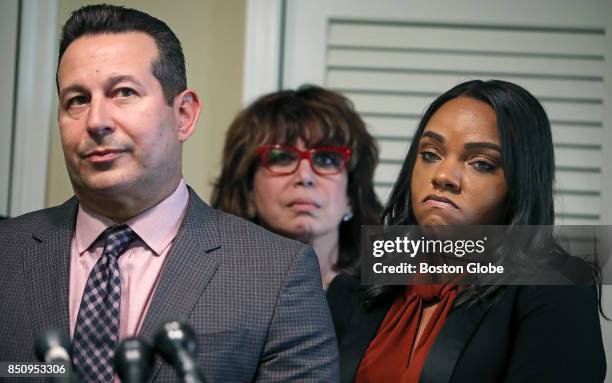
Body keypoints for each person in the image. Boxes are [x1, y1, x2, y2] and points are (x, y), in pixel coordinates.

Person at [0, 5, 338, 382]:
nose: (96, 121)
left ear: (184, 115)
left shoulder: (277, 273)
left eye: (124, 92)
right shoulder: (7, 253)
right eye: (77, 100)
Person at [327, 80, 606, 382]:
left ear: (521, 183)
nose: (443, 176)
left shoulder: (556, 293)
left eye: (481, 163)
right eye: (430, 154)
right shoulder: (359, 284)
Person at [211, 86, 382, 288]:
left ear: (351, 196)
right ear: (247, 191)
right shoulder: (213, 284)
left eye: (326, 159)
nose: (305, 176)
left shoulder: (393, 286)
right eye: (281, 158)